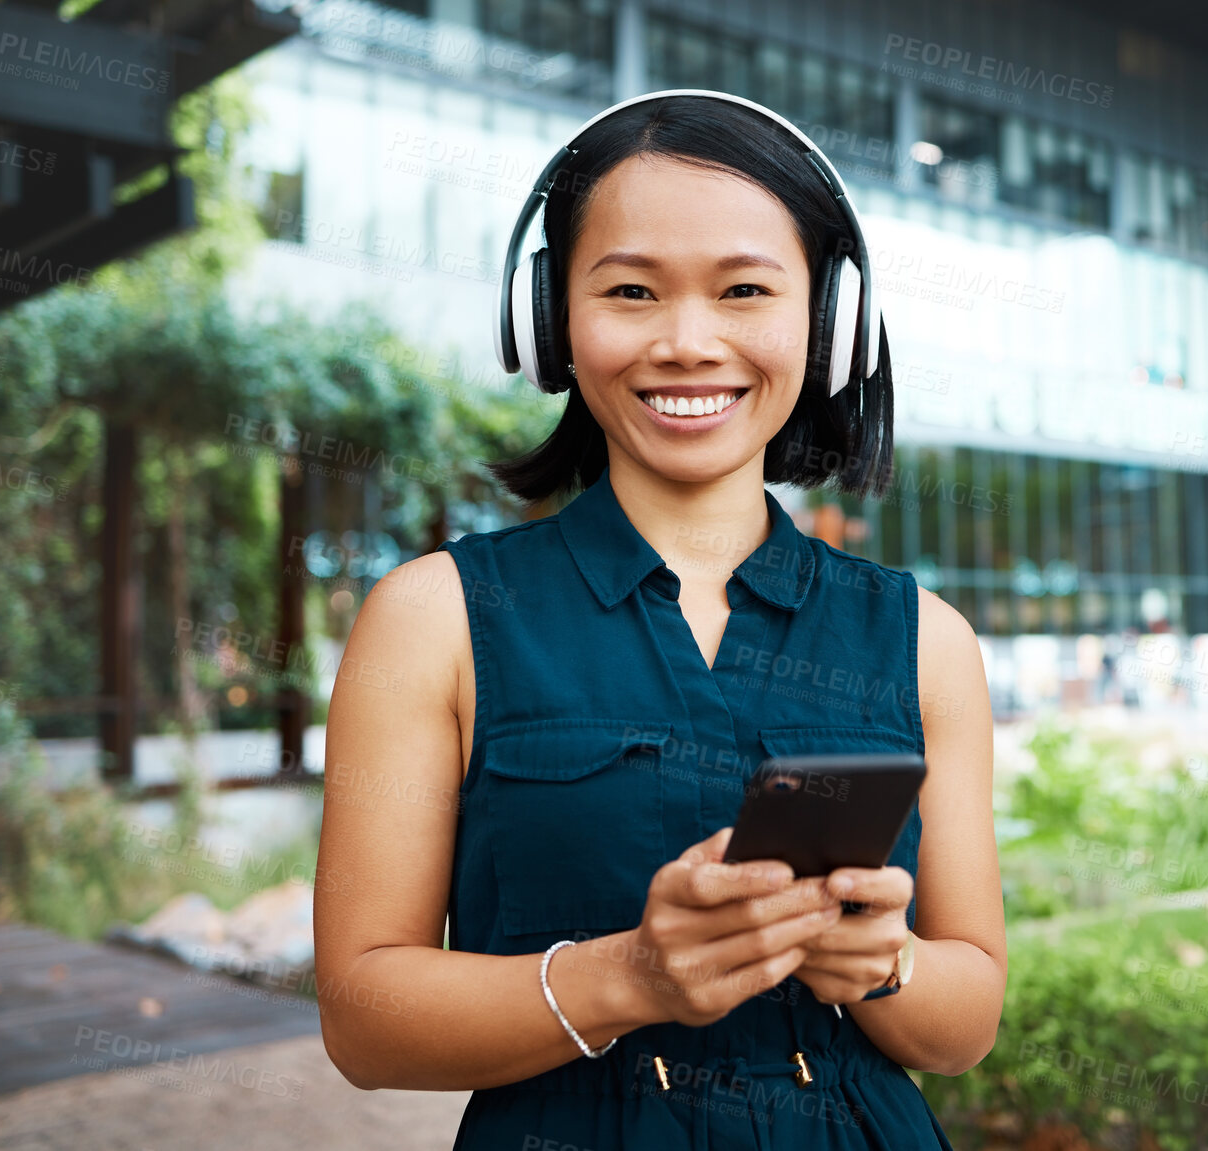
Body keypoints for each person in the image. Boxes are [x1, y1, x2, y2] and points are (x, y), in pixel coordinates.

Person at [313, 90, 1006, 1149]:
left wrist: (877, 961)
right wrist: (627, 975)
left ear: (829, 323)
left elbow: (967, 1017)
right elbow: (365, 1023)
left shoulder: (927, 641)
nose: (688, 342)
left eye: (744, 290)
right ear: (550, 319)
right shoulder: (434, 621)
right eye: (631, 289)